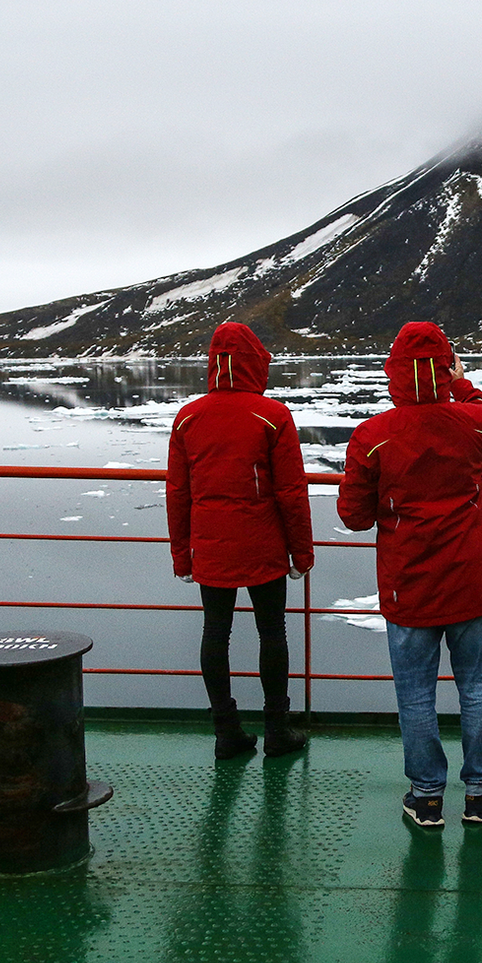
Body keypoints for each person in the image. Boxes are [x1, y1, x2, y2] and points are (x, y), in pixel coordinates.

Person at [338, 321, 482, 828]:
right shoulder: (471, 423)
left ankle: (426, 797)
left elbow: (353, 515)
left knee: (415, 694)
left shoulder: (372, 437)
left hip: (408, 585)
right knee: (478, 687)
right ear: (445, 367)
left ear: (393, 371)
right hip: (468, 581)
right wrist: (462, 384)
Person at [166, 321, 313, 760]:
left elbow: (178, 493)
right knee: (273, 632)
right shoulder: (272, 415)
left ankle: (226, 732)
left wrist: (181, 556)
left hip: (210, 546)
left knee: (216, 632)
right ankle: (277, 730)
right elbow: (290, 491)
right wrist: (301, 552)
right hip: (264, 543)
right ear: (254, 364)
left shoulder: (188, 417)